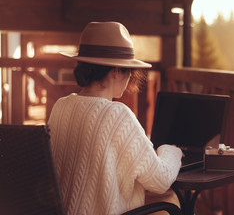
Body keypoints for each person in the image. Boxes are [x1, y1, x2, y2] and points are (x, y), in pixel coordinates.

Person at [47, 21, 182, 215]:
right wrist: (171, 151)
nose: (129, 80)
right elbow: (160, 180)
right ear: (116, 70)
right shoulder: (118, 116)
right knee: (173, 203)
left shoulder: (61, 106)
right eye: (128, 71)